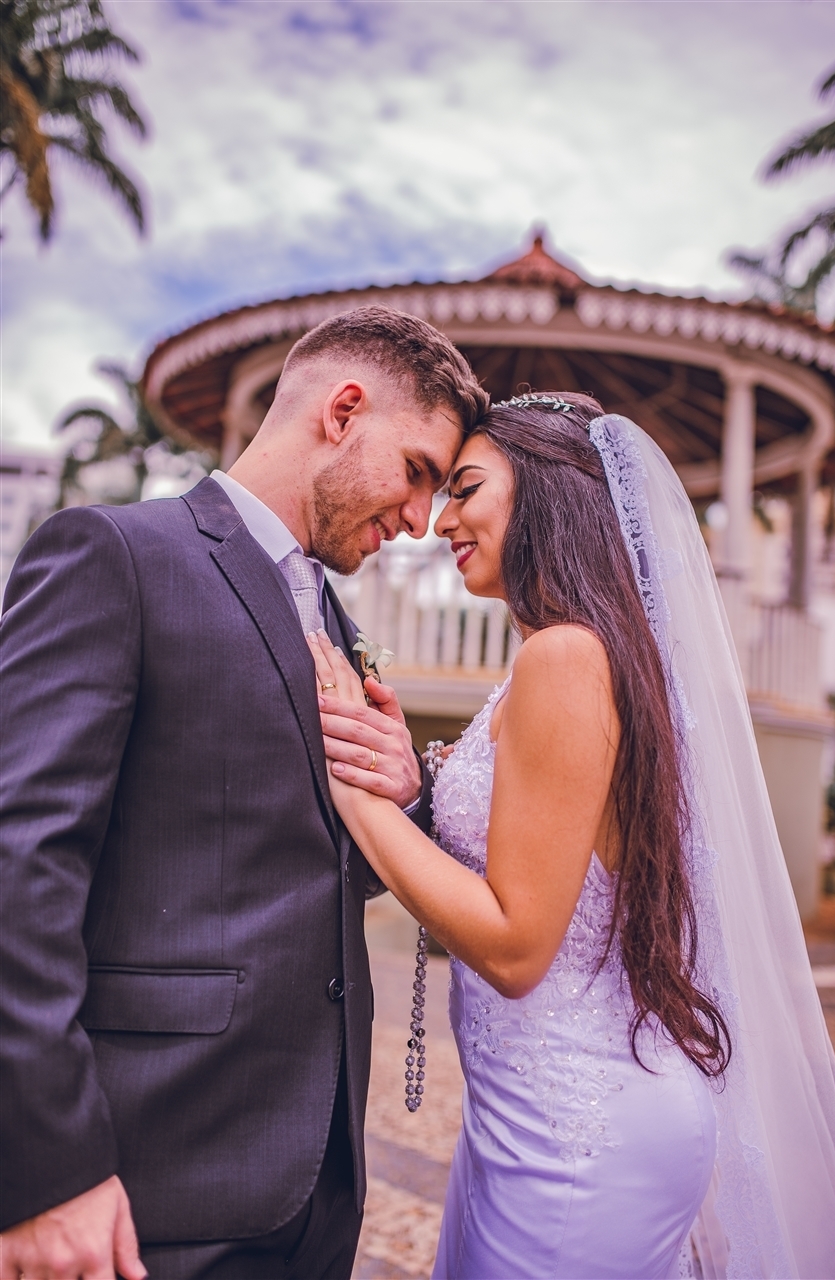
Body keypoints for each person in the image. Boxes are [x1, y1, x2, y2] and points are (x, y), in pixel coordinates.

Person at [310, 393, 835, 1280]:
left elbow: (519, 946)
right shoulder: (576, 653)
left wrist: (349, 791)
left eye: (466, 488)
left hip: (574, 1135)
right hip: (536, 1109)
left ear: (549, 495)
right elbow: (544, 855)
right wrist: (411, 784)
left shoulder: (564, 656)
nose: (441, 519)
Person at [0, 306, 488, 1280]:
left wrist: (401, 798)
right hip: (144, 1184)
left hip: (315, 1186)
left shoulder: (340, 621)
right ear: (342, 410)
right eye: (419, 470)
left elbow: (306, 860)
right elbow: (18, 864)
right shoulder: (113, 553)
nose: (421, 519)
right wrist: (44, 1170)